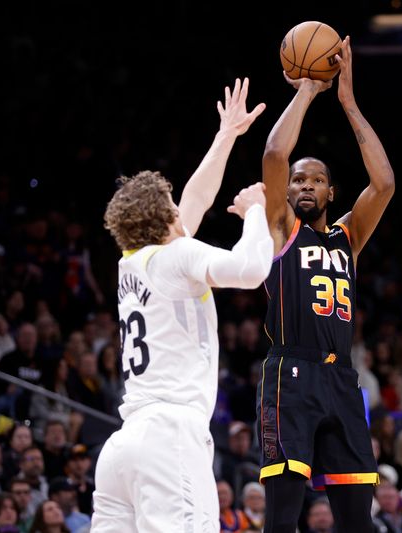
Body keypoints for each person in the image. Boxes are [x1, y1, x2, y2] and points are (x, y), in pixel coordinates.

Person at [90, 78, 271, 533]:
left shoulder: (131, 263)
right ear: (165, 217)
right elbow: (251, 270)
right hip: (169, 438)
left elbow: (195, 199)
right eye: (172, 204)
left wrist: (225, 136)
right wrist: (255, 212)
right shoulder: (178, 256)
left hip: (124, 446)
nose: (180, 208)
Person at [258, 35, 395, 533]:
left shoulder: (348, 238)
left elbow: (384, 185)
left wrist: (349, 103)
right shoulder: (281, 230)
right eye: (298, 180)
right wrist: (307, 92)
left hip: (342, 381)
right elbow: (275, 151)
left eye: (315, 180)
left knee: (358, 519)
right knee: (283, 518)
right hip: (290, 376)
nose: (304, 186)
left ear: (331, 192)